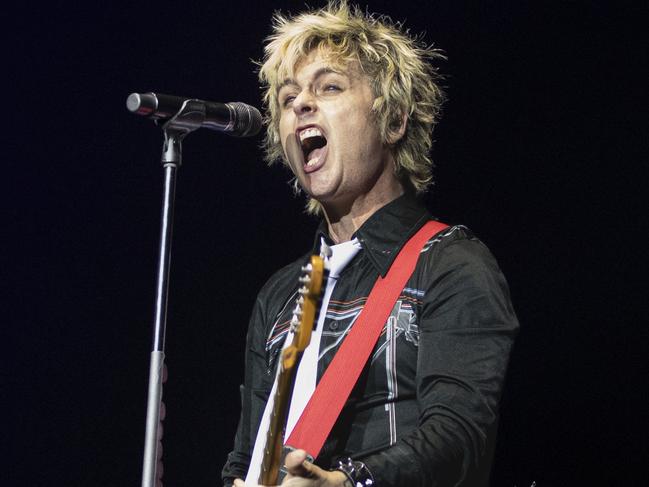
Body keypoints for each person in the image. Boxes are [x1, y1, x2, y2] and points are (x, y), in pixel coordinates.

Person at [222, 2, 519, 486]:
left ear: (394, 120)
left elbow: (459, 437)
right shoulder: (279, 297)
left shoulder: (450, 265)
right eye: (287, 96)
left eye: (329, 87)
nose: (299, 105)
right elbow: (247, 458)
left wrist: (347, 481)